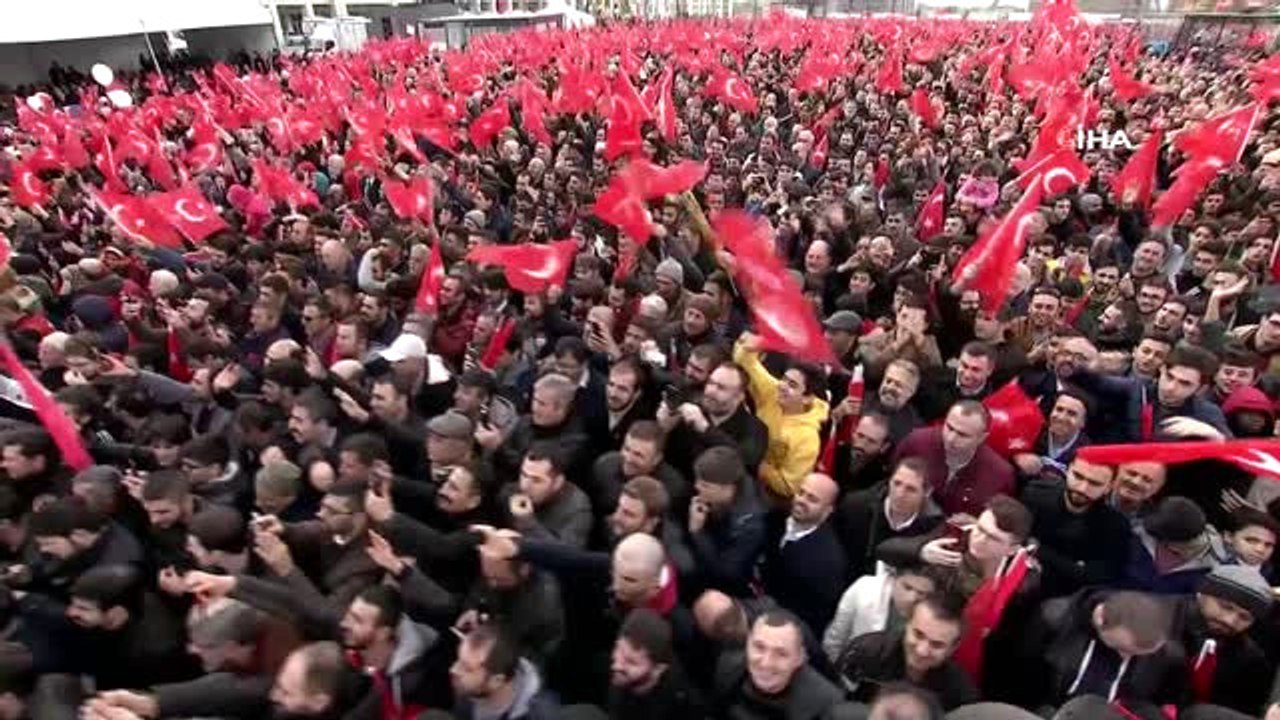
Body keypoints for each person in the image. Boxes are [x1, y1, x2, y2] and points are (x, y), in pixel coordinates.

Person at [732, 332, 831, 500]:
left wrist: (760, 465)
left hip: (767, 497)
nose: (783, 386)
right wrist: (757, 344)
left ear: (807, 397)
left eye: (792, 385)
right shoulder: (773, 390)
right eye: (784, 379)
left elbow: (789, 486)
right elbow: (744, 360)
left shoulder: (808, 439)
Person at [838, 593, 978, 710]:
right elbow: (834, 703)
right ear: (907, 623)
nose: (922, 651)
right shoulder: (865, 652)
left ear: (954, 647)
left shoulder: (959, 691)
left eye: (937, 645)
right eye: (918, 634)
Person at [1020, 458, 1131, 597]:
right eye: (1078, 476)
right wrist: (1074, 566)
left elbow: (1098, 576)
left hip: (1066, 597)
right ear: (1068, 470)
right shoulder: (1035, 494)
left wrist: (1039, 550)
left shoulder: (1116, 526)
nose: (1082, 488)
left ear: (1109, 487)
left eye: (1094, 483)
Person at [1172, 565, 1274, 714]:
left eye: (1244, 617)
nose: (1230, 621)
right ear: (1201, 594)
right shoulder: (1166, 624)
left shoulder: (1251, 660)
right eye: (1226, 607)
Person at [891, 401, 1016, 517]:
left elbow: (998, 518)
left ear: (981, 438)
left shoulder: (1000, 475)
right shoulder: (915, 443)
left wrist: (977, 522)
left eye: (962, 435)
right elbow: (888, 481)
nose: (951, 439)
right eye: (949, 428)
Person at [712, 610, 844, 720]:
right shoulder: (728, 667)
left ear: (800, 659)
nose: (766, 663)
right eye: (759, 647)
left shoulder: (827, 706)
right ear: (747, 644)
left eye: (781, 653)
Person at [759, 473, 847, 635]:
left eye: (812, 499)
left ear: (828, 511)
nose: (801, 500)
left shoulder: (828, 563)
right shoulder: (774, 517)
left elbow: (816, 617)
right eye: (801, 492)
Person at [823, 560, 940, 664]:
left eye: (922, 593)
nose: (911, 598)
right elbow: (835, 639)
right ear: (893, 578)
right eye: (907, 587)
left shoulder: (934, 616)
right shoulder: (864, 589)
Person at [607, 609, 705, 720]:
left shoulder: (682, 705)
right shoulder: (621, 676)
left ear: (658, 669)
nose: (616, 665)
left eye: (631, 662)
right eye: (618, 649)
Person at [450, 624, 559, 720]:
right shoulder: (467, 688)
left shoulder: (539, 714)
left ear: (497, 680)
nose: (453, 669)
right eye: (459, 660)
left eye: (467, 668)